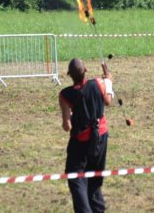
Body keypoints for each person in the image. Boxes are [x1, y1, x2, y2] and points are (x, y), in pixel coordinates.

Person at [59, 58, 114, 213]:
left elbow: (67, 126)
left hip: (81, 142)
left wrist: (70, 113)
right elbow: (108, 101)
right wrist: (108, 81)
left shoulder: (65, 95)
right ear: (86, 70)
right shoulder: (98, 83)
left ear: (70, 75)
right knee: (95, 180)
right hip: (101, 137)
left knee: (76, 179)